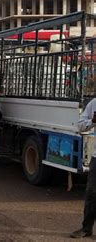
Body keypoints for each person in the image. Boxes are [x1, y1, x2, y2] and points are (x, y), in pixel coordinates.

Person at [70, 98, 96, 238]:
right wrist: (92, 122)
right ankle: (86, 228)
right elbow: (80, 125)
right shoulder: (94, 103)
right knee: (91, 193)